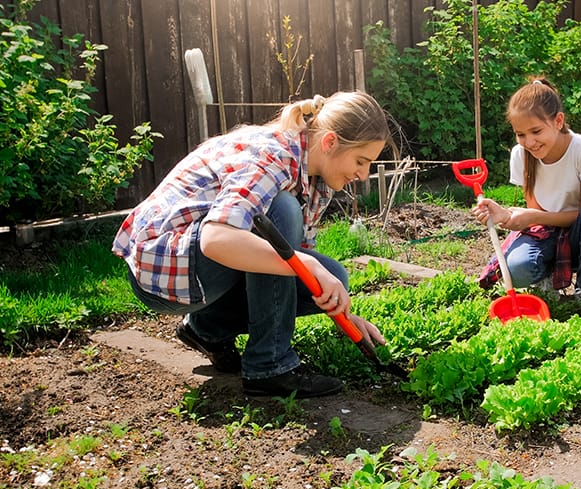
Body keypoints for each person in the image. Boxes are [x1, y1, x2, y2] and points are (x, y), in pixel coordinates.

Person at [112, 91, 396, 397]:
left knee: (332, 277)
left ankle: (205, 328)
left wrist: (343, 315)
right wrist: (309, 264)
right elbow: (216, 239)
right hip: (166, 267)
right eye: (361, 161)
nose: (364, 174)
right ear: (329, 143)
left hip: (198, 270)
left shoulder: (316, 177)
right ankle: (269, 366)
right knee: (281, 210)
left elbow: (295, 254)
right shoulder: (274, 156)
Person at [474, 78, 581, 317]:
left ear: (558, 121)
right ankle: (544, 277)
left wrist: (532, 217)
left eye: (536, 131)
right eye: (520, 134)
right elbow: (536, 217)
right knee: (516, 268)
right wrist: (505, 215)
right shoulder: (521, 154)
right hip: (547, 231)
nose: (529, 142)